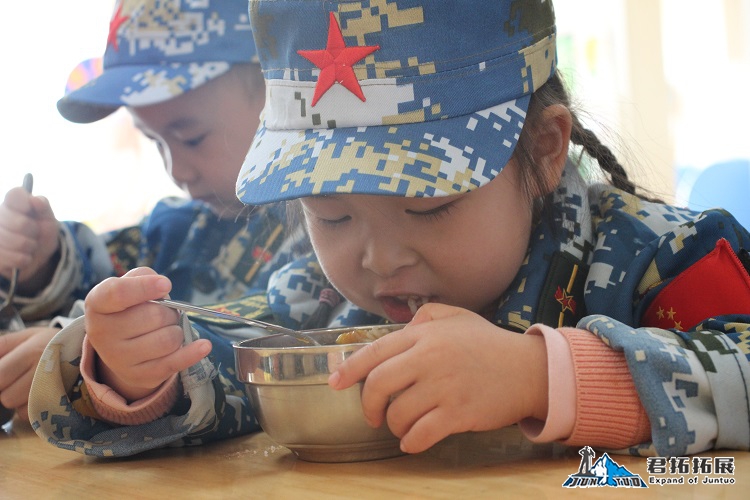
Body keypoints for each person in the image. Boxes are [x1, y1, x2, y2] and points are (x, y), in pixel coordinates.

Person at [29, 0, 750, 459]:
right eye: (330, 213)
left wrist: (541, 376)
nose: (376, 259)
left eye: (428, 204)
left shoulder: (663, 260)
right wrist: (138, 368)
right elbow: (243, 360)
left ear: (543, 149)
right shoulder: (320, 293)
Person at [0, 0, 303, 422]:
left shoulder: (328, 233)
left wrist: (97, 359)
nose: (176, 170)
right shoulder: (175, 230)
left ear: (278, 93)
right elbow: (101, 280)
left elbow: (279, 345)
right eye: (156, 142)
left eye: (192, 138)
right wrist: (41, 262)